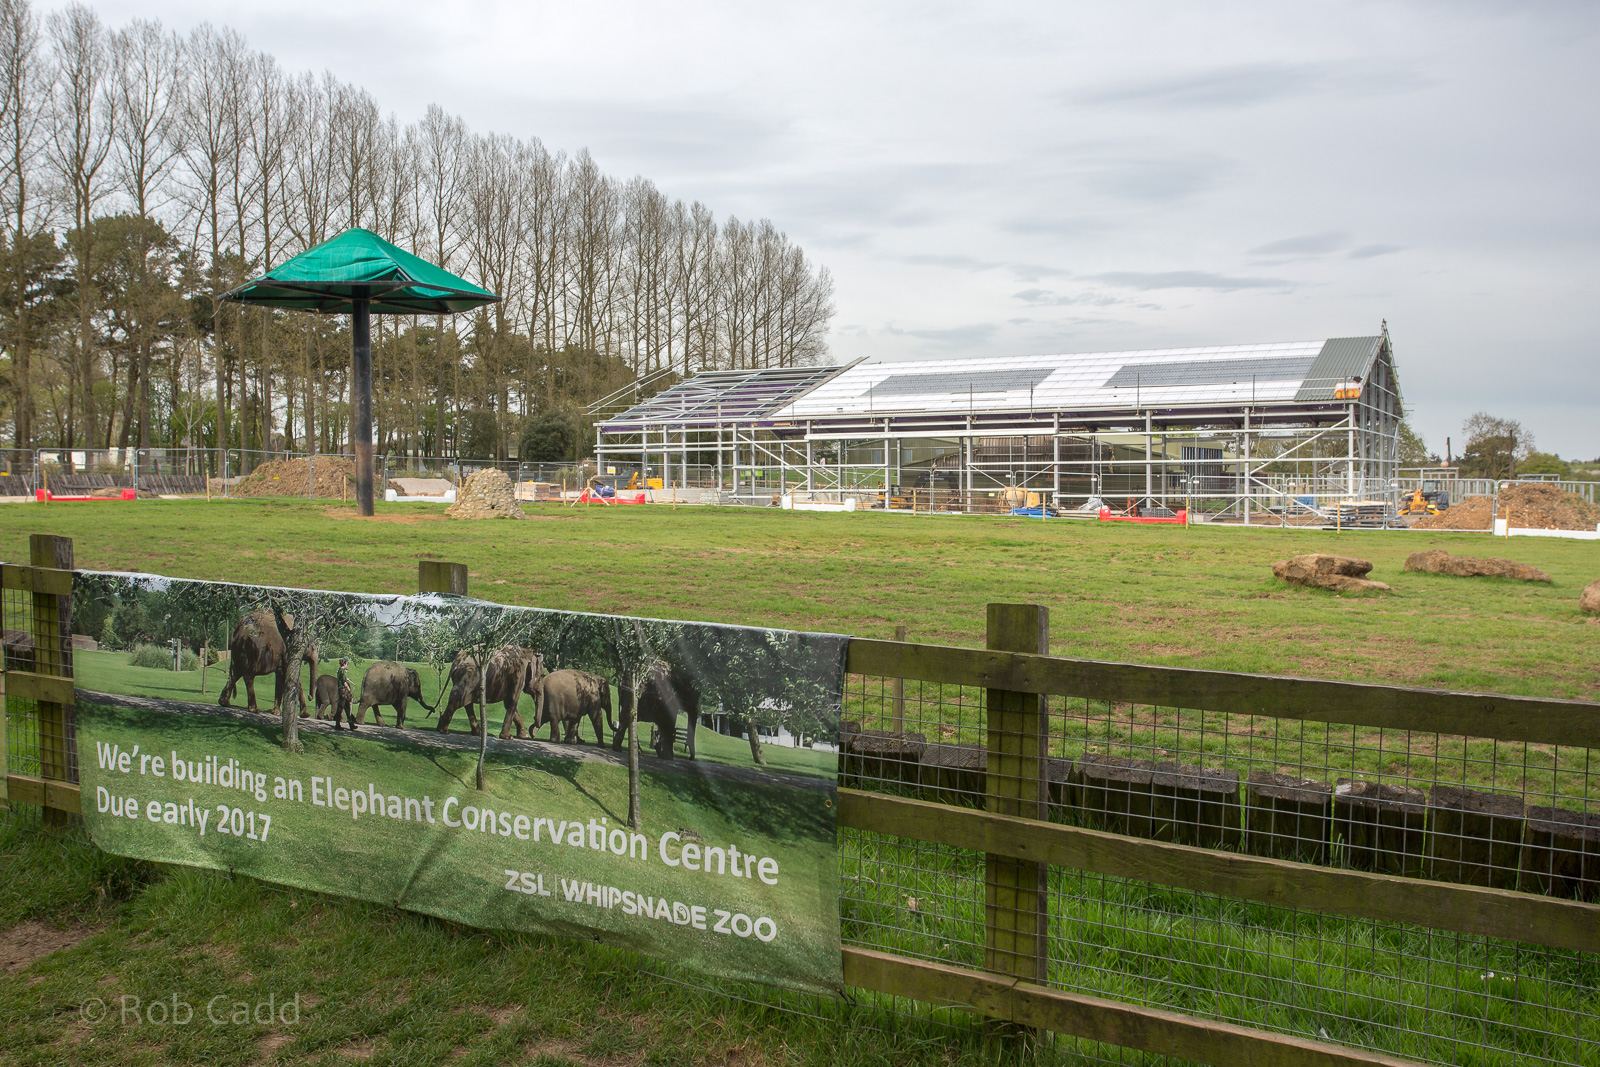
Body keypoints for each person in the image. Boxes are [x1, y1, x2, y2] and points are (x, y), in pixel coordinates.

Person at [334, 657, 357, 730]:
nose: (347, 665)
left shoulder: (340, 670)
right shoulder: (342, 671)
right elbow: (344, 683)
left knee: (347, 708)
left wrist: (346, 678)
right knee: (340, 708)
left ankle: (351, 724)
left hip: (342, 691)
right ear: (345, 663)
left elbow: (343, 678)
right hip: (343, 691)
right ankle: (337, 724)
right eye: (347, 663)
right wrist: (349, 690)